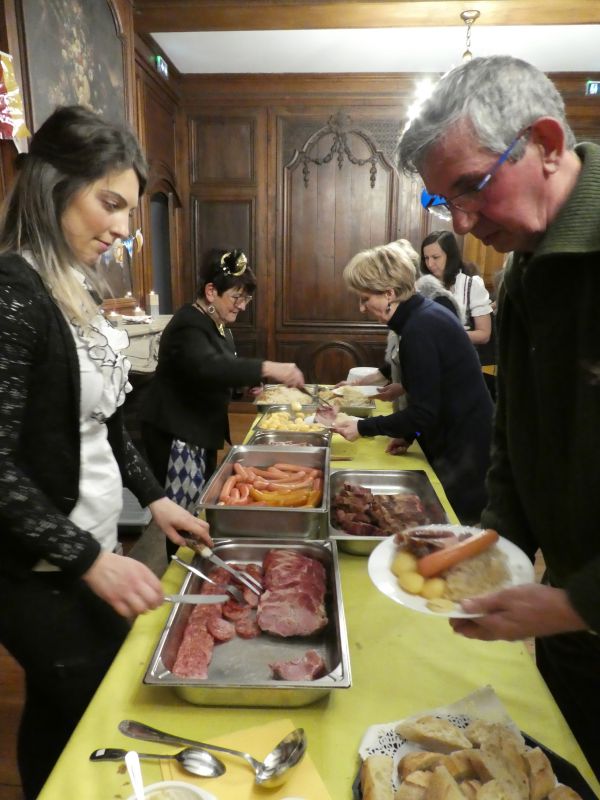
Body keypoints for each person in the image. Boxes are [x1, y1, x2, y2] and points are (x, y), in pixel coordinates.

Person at [0, 106, 213, 799]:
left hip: (80, 543)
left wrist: (155, 498)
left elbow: (109, 420)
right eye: (110, 203)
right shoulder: (15, 291)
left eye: (129, 208)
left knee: (61, 711)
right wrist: (91, 559)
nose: (124, 228)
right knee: (88, 699)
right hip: (32, 564)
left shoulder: (76, 288)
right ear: (54, 184)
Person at [398, 54, 600, 777]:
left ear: (545, 142)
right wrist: (493, 554)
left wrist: (574, 602)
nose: (462, 223)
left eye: (473, 187)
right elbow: (514, 438)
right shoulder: (521, 270)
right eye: (442, 203)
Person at [140, 248, 305, 526]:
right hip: (177, 432)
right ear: (211, 291)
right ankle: (183, 565)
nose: (242, 306)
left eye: (246, 298)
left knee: (200, 502)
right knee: (185, 513)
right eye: (236, 297)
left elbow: (219, 371)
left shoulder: (217, 325)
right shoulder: (188, 324)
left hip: (198, 428)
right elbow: (208, 365)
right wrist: (269, 367)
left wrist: (248, 385)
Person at [333, 240, 493, 524]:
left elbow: (423, 412)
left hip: (463, 450)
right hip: (458, 440)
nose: (361, 308)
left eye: (364, 299)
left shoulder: (420, 329)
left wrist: (361, 427)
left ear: (389, 294)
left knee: (455, 532)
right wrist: (408, 435)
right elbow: (431, 393)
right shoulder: (421, 317)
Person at [420, 229, 493, 357]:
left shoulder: (471, 285)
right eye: (426, 258)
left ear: (450, 255)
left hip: (460, 357)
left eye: (436, 257)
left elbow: (484, 334)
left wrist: (444, 335)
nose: (430, 264)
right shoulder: (421, 285)